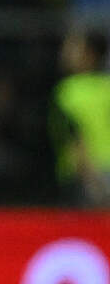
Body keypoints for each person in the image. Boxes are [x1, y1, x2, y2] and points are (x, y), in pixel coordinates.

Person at [50, 29, 110, 205]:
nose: (65, 51)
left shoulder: (68, 91)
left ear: (90, 55)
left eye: (73, 47)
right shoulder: (106, 87)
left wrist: (92, 182)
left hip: (84, 178)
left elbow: (75, 138)